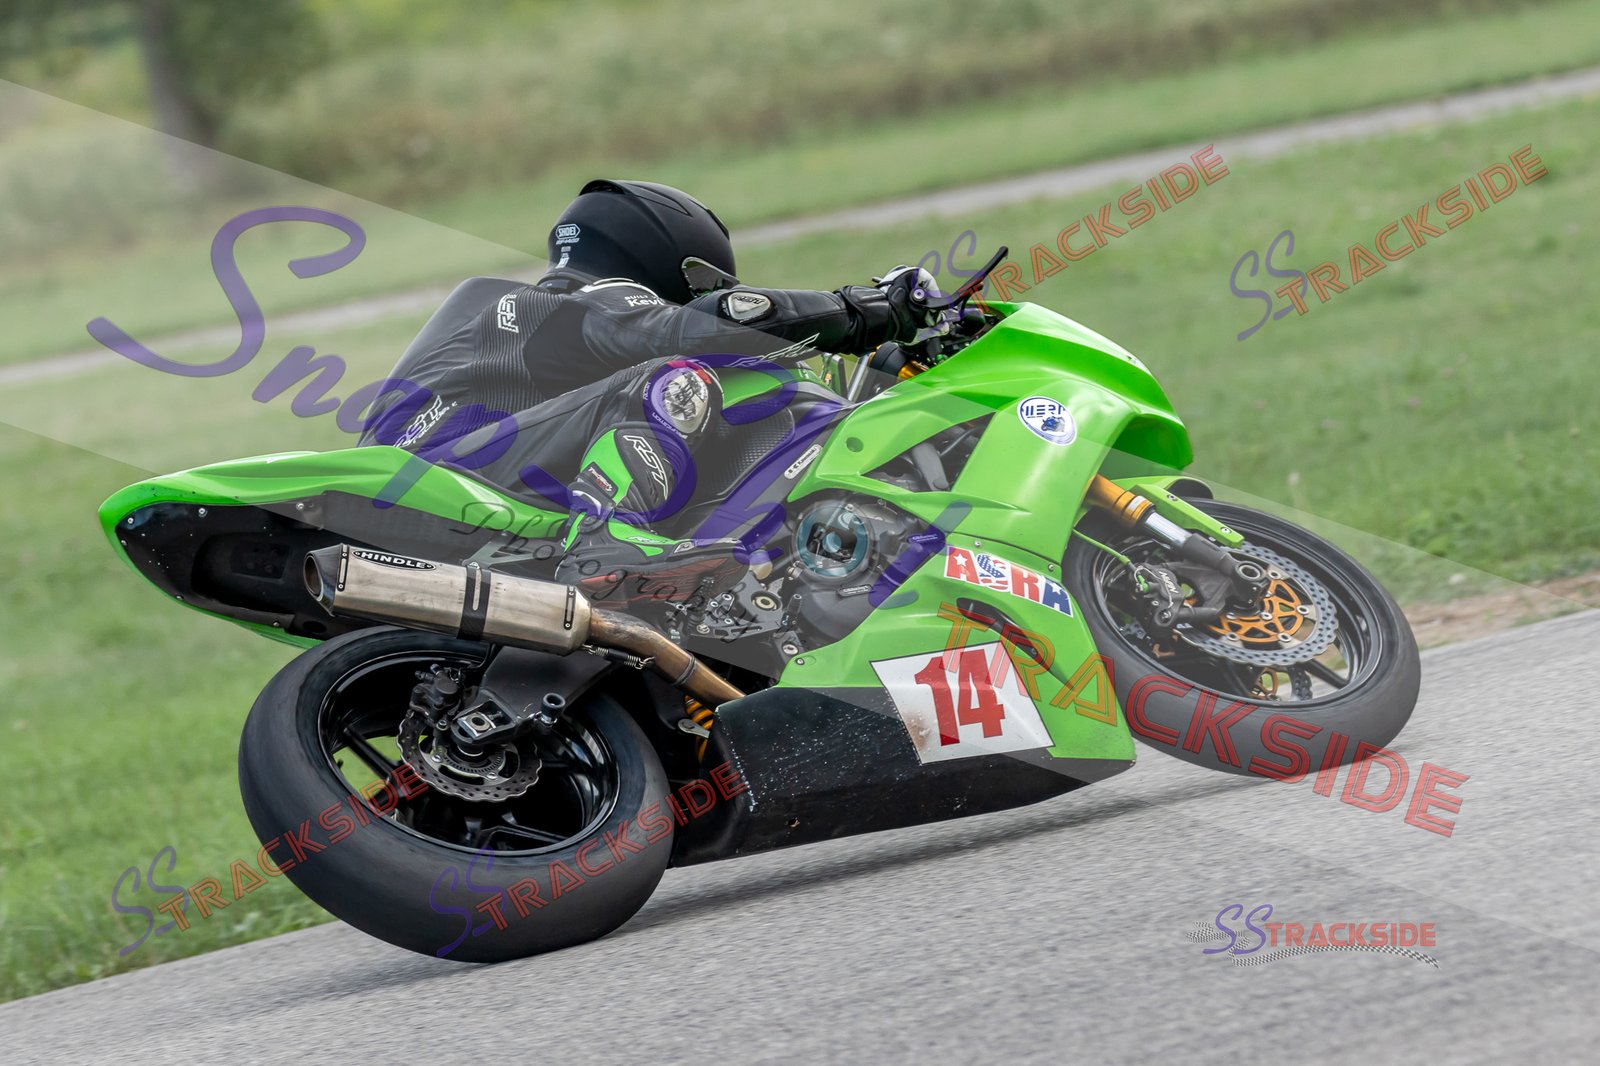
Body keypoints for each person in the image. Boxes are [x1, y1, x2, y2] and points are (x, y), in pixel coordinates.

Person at [362, 178, 946, 605]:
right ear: (666, 260)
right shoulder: (575, 299)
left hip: (443, 489)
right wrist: (865, 311)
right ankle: (608, 542)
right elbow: (703, 329)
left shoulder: (519, 324)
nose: (700, 298)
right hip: (444, 482)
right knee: (675, 378)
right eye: (704, 285)